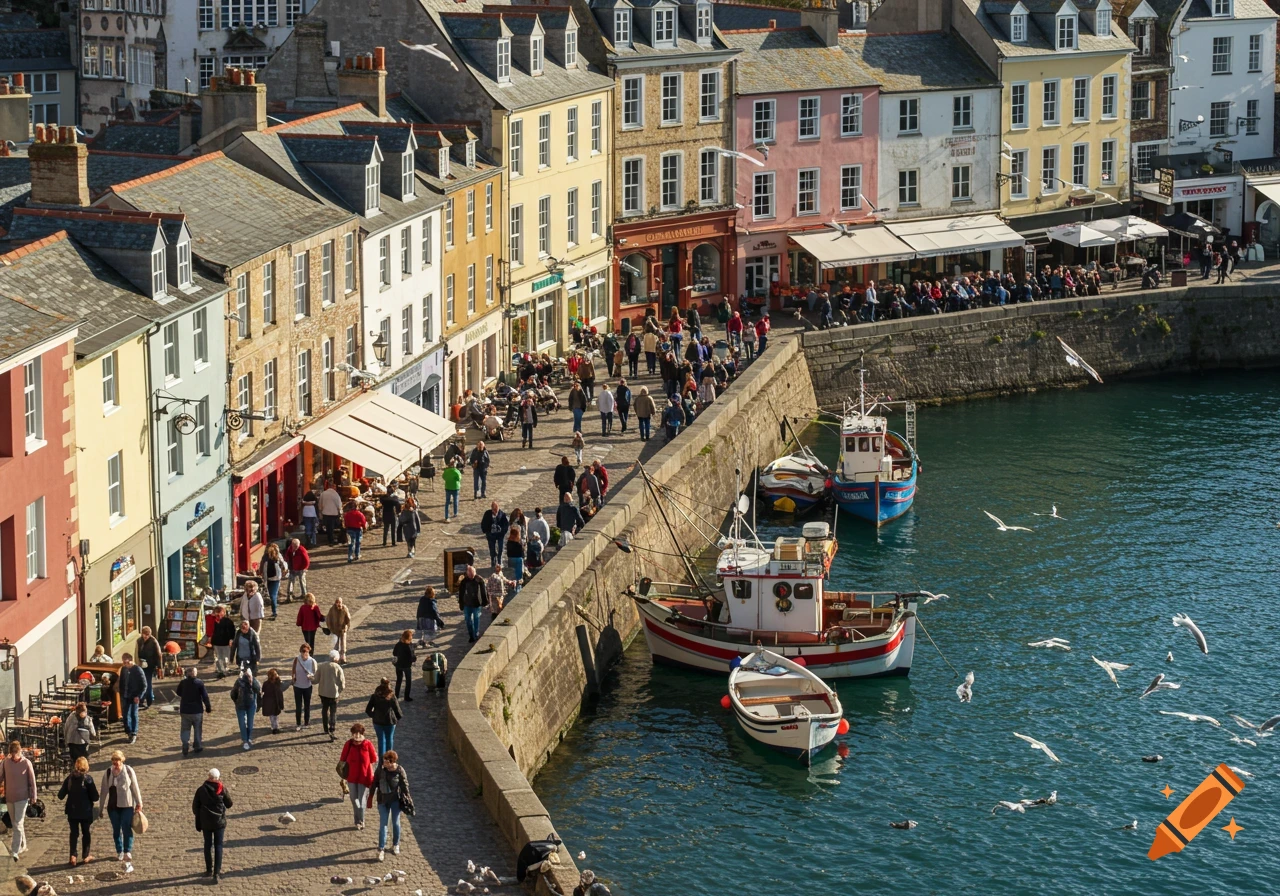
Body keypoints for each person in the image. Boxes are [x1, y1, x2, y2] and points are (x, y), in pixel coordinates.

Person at [97, 750, 141, 863]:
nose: (115, 763)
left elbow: (135, 787)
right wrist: (100, 808)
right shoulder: (108, 772)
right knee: (116, 830)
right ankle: (119, 850)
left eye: (118, 760)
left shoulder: (128, 770)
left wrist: (139, 803)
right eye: (113, 760)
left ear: (122, 760)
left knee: (126, 827)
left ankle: (127, 850)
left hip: (127, 805)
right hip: (113, 807)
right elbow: (103, 791)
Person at [192, 768, 232, 883]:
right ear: (217, 778)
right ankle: (216, 873)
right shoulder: (222, 789)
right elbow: (229, 804)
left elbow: (195, 807)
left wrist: (202, 816)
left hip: (206, 823)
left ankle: (209, 870)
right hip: (219, 822)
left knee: (207, 845)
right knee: (218, 846)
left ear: (208, 777)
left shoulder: (201, 790)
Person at [57, 755, 98, 867]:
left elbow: (60, 795)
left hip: (72, 810)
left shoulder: (69, 778)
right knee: (86, 833)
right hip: (85, 811)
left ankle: (73, 855)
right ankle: (85, 855)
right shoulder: (88, 779)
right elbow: (95, 797)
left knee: (74, 833)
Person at [2, 740, 36, 860]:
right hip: (10, 797)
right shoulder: (6, 762)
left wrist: (33, 796)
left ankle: (15, 850)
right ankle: (23, 845)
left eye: (16, 754)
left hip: (22, 798)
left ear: (20, 751)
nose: (15, 757)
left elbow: (32, 781)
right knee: (16, 823)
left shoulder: (26, 763)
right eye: (12, 754)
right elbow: (1, 776)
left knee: (18, 823)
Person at [372, 750, 409, 862]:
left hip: (395, 801)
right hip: (382, 800)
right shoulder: (380, 770)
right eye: (384, 761)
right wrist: (370, 797)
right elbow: (374, 783)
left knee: (395, 822)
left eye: (386, 762)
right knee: (383, 824)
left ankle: (395, 844)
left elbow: (404, 785)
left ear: (392, 762)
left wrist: (408, 799)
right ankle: (381, 849)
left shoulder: (399, 770)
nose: (384, 763)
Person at [340, 723, 378, 830]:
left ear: (362, 734)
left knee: (361, 800)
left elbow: (374, 758)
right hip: (351, 777)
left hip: (364, 777)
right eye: (354, 734)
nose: (356, 736)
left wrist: (370, 770)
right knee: (354, 798)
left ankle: (361, 820)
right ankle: (356, 819)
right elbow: (342, 759)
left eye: (358, 734)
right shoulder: (349, 744)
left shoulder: (367, 744)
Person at [176, 666, 212, 757]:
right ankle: (197, 746)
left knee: (185, 729)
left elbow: (178, 692)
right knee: (197, 729)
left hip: (185, 710)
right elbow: (205, 696)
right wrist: (208, 707)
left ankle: (185, 743)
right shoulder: (199, 683)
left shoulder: (183, 683)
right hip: (197, 710)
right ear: (195, 674)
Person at [365, 678, 402, 755]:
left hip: (377, 721)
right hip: (390, 721)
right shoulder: (391, 696)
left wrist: (374, 715)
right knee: (389, 739)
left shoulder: (375, 696)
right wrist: (397, 718)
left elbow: (368, 710)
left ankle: (381, 760)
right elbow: (397, 710)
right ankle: (390, 759)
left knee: (381, 740)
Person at [316, 650, 346, 741]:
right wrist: (339, 691)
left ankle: (325, 727)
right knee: (333, 711)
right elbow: (342, 683)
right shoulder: (338, 668)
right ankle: (332, 727)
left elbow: (316, 679)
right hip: (333, 694)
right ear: (336, 659)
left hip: (323, 692)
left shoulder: (322, 666)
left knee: (324, 709)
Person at [229, 666, 261, 749]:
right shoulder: (239, 682)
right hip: (241, 705)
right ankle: (245, 740)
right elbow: (233, 693)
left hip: (250, 705)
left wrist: (253, 682)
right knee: (243, 723)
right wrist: (237, 701)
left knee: (249, 723)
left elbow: (258, 690)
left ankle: (248, 738)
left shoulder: (254, 681)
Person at [118, 653, 146, 744]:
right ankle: (128, 731)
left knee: (133, 714)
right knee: (125, 715)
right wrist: (121, 693)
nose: (124, 663)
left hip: (134, 696)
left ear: (130, 660)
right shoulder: (123, 669)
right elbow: (122, 681)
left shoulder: (137, 670)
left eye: (125, 661)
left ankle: (133, 733)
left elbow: (144, 685)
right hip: (125, 695)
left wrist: (139, 696)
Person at [457, 565, 488, 643]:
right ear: (467, 573)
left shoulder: (479, 580)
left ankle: (476, 634)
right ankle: (471, 635)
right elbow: (461, 593)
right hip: (467, 603)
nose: (471, 575)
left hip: (476, 603)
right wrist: (461, 603)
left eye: (472, 573)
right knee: (468, 620)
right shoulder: (464, 581)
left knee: (476, 618)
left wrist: (485, 601)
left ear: (475, 572)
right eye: (470, 574)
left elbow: (483, 591)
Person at [136, 626, 163, 709]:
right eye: (144, 634)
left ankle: (149, 700)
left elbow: (159, 655)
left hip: (150, 665)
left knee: (147, 682)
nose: (145, 637)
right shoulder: (139, 640)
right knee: (141, 682)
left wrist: (159, 667)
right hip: (142, 663)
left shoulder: (153, 641)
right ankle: (142, 699)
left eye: (147, 635)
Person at [292, 643, 317, 731]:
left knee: (307, 705)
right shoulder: (296, 659)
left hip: (307, 686)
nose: (304, 653)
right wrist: (293, 677)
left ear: (309, 651)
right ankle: (298, 723)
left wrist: (311, 676)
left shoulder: (312, 661)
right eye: (303, 651)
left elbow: (316, 673)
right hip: (297, 686)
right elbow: (293, 670)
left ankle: (306, 722)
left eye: (306, 651)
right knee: (298, 706)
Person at [208, 606, 235, 679]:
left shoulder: (228, 621)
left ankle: (224, 668)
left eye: (220, 612)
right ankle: (220, 670)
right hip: (216, 642)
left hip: (225, 642)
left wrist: (231, 639)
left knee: (225, 657)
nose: (218, 614)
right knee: (219, 657)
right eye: (216, 612)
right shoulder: (213, 620)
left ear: (224, 612)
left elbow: (232, 631)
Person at [260, 543, 285, 619]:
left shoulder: (265, 557)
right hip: (276, 578)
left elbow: (261, 567)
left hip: (268, 578)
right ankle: (274, 611)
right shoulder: (277, 556)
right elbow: (283, 565)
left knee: (271, 594)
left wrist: (262, 575)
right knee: (273, 595)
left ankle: (272, 610)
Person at [480, 501, 509, 566]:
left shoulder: (502, 514)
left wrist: (502, 531)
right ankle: (493, 559)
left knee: (500, 548)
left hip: (500, 535)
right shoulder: (487, 514)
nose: (495, 512)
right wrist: (487, 531)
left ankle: (499, 559)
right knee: (492, 548)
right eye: (494, 510)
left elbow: (506, 525)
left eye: (496, 510)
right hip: (491, 535)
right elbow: (483, 523)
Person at [392, 630, 417, 702]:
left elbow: (394, 653)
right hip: (406, 666)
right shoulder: (409, 646)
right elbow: (412, 658)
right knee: (408, 681)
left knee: (399, 680)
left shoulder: (398, 644)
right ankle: (406, 697)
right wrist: (415, 658)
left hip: (398, 665)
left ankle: (396, 695)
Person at [260, 668, 285, 736]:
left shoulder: (277, 683)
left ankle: (275, 727)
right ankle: (275, 727)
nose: (277, 675)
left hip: (275, 701)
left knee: (274, 715)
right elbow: (263, 692)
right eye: (275, 674)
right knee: (273, 715)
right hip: (271, 702)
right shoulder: (274, 683)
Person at [327, 597, 352, 663]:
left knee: (343, 644)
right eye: (337, 602)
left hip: (342, 629)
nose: (338, 604)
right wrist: (330, 628)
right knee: (336, 644)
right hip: (335, 630)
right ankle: (336, 657)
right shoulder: (332, 609)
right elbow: (328, 619)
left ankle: (342, 657)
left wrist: (347, 625)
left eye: (339, 602)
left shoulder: (344, 608)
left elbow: (348, 618)